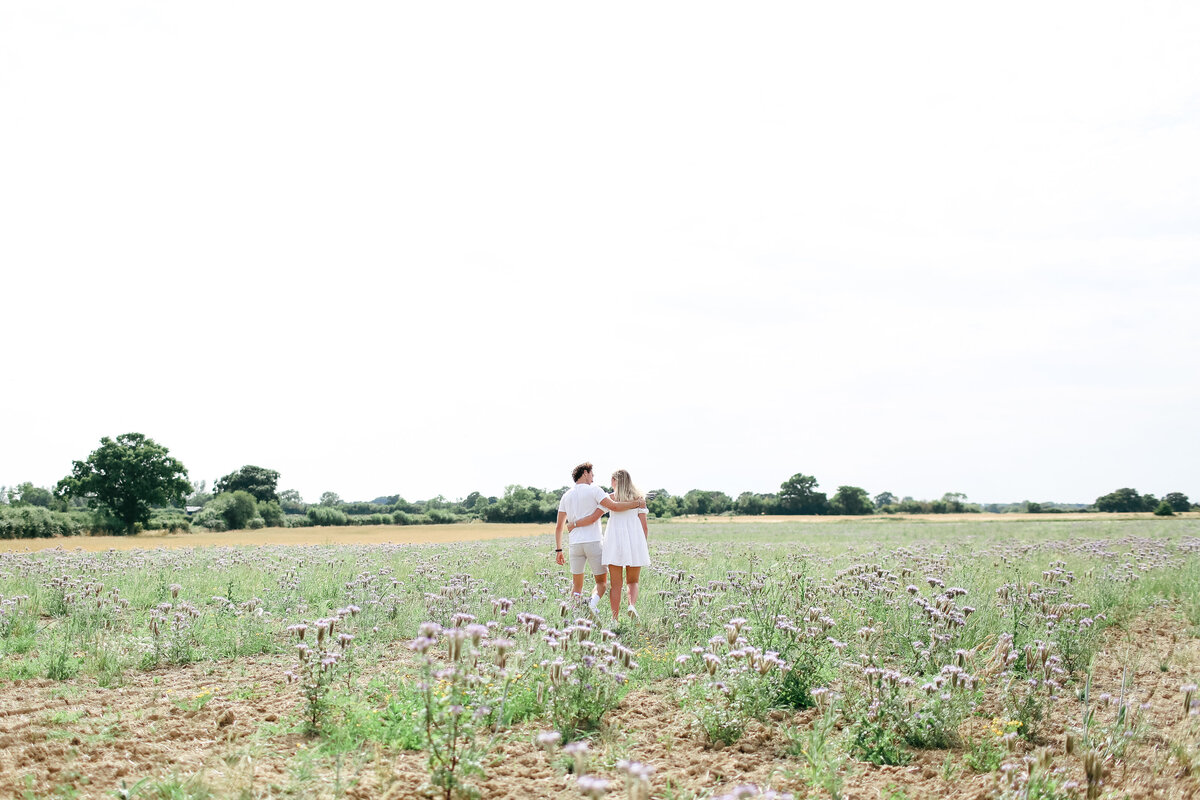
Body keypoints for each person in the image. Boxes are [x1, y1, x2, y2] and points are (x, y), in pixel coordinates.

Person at [555, 462, 646, 614]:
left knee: (578, 585)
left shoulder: (566, 495)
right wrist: (637, 503)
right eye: (592, 474)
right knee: (605, 583)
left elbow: (562, 526)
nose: (593, 478)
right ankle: (600, 604)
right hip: (596, 542)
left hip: (577, 544)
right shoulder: (596, 491)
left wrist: (560, 547)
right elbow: (618, 509)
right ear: (585, 473)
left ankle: (575, 615)